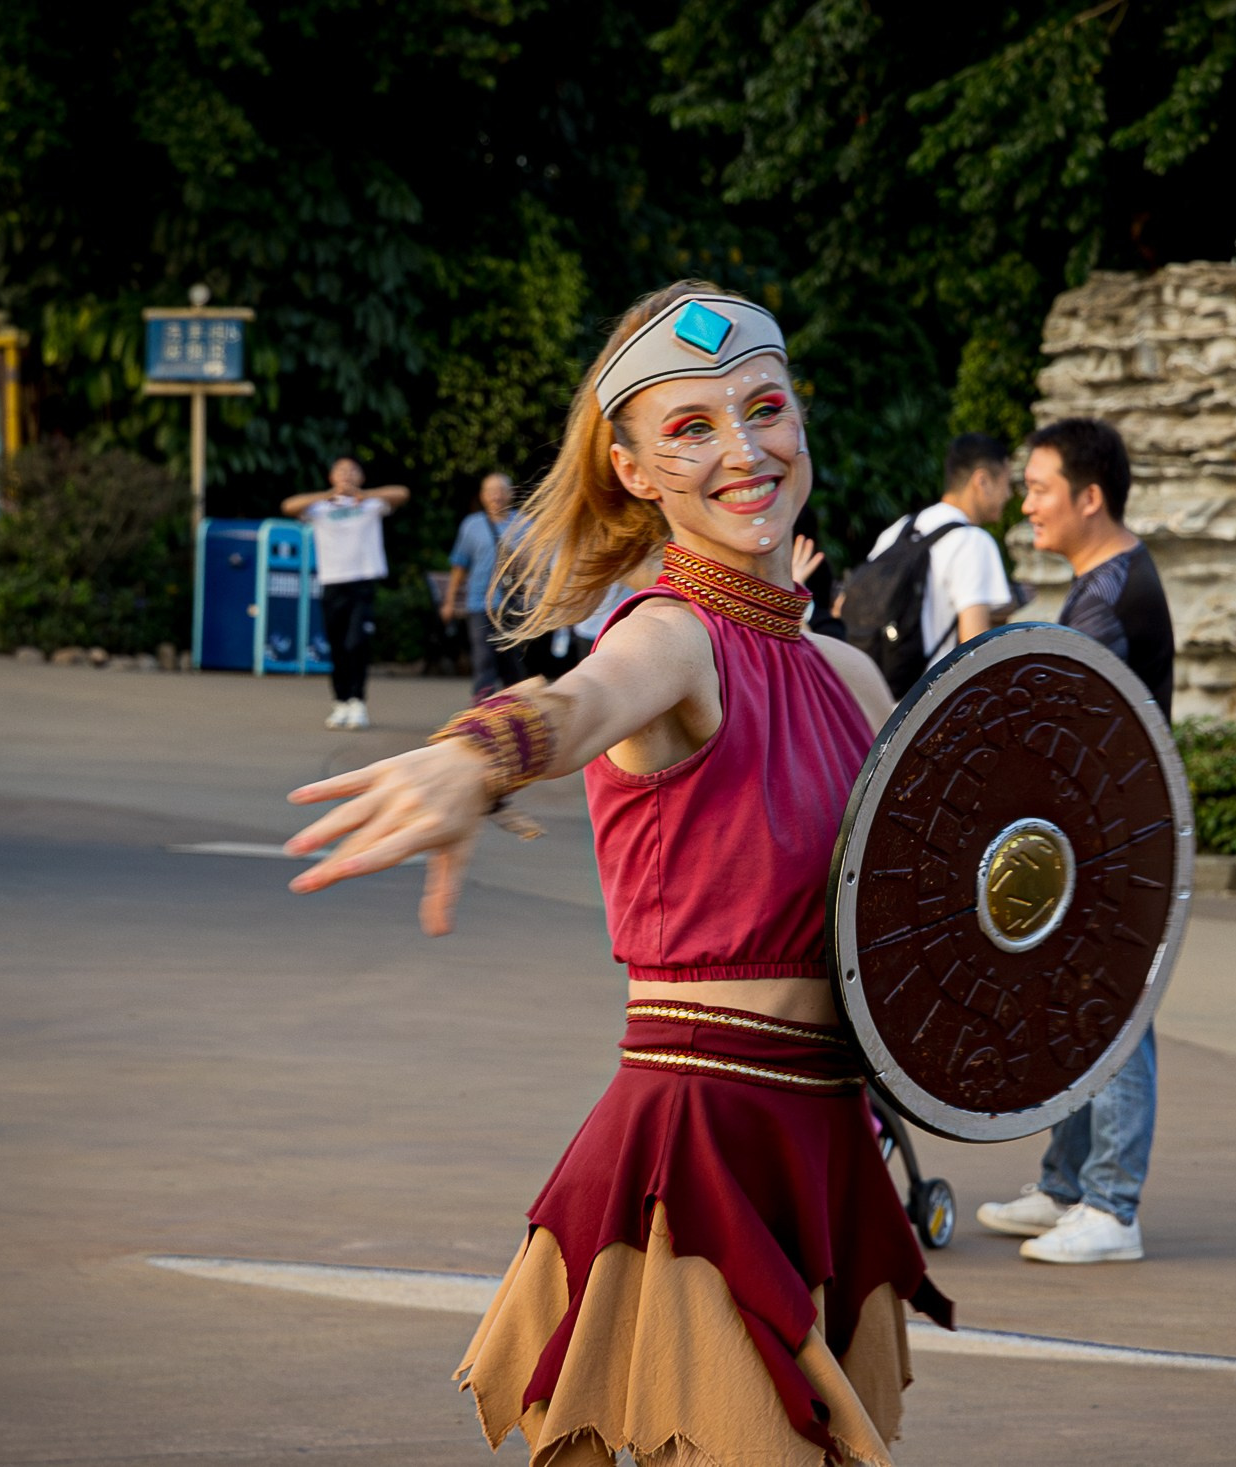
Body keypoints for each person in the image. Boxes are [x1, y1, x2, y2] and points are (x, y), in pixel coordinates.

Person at [283, 282, 950, 1467]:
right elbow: (584, 699)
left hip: (834, 1146)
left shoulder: (851, 677)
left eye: (763, 409)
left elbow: (929, 915)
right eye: (689, 428)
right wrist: (476, 760)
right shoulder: (670, 635)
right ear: (635, 470)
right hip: (700, 1148)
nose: (743, 452)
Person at [970, 417, 1171, 1266]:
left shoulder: (1116, 590)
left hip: (1118, 834)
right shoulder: (1106, 582)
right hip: (1094, 829)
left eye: (1042, 489)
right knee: (1074, 1005)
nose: (1028, 506)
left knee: (1114, 1010)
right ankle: (1065, 1185)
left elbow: (1055, 719)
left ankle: (1112, 1206)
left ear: (1091, 497)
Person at [853, 433, 1014, 692]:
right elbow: (975, 649)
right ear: (982, 481)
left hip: (877, 697)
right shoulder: (973, 540)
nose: (1008, 495)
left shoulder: (900, 530)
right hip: (927, 708)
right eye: (1007, 483)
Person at [282, 457, 409, 730]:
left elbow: (401, 493)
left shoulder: (371, 504)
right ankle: (340, 702)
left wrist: (363, 495)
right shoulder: (319, 507)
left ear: (361, 476)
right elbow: (288, 506)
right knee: (337, 644)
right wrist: (330, 495)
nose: (347, 475)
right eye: (341, 471)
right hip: (332, 581)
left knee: (357, 643)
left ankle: (358, 702)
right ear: (331, 476)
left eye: (352, 471)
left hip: (362, 581)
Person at [442, 471, 528, 699]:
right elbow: (459, 565)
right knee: (483, 658)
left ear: (511, 494)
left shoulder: (524, 525)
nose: (496, 496)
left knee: (512, 660)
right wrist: (449, 602)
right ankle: (481, 709)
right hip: (479, 602)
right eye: (491, 491)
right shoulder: (472, 525)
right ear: (482, 496)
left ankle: (514, 711)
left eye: (501, 490)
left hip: (513, 604)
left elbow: (536, 566)